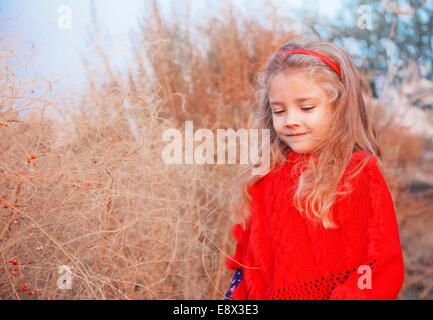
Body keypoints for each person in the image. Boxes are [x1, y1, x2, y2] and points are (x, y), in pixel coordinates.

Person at [224, 38, 404, 300]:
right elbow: (248, 268)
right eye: (279, 110)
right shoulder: (265, 176)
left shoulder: (357, 174)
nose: (291, 121)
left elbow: (381, 267)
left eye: (306, 107)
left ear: (339, 107)